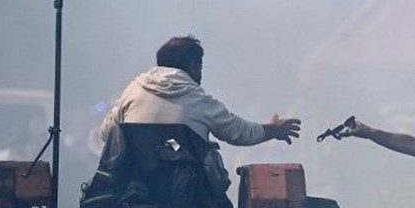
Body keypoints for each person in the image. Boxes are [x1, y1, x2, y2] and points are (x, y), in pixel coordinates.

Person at [98, 35, 300, 150]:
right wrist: (273, 130)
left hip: (130, 191)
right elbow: (240, 133)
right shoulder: (200, 101)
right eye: (200, 66)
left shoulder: (133, 90)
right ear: (193, 65)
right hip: (183, 199)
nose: (201, 73)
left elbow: (106, 132)